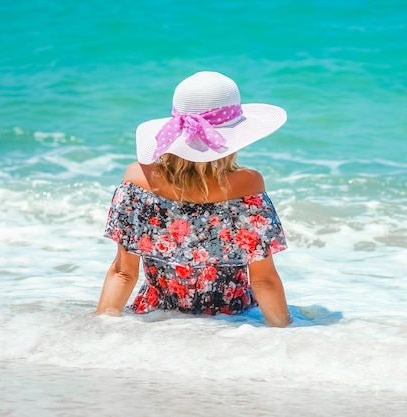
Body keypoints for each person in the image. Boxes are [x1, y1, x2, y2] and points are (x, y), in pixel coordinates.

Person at [96, 71, 291, 327]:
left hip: (156, 321)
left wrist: (96, 337)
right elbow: (264, 280)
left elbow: (123, 273)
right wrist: (288, 336)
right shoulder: (248, 184)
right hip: (232, 324)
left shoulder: (137, 178)